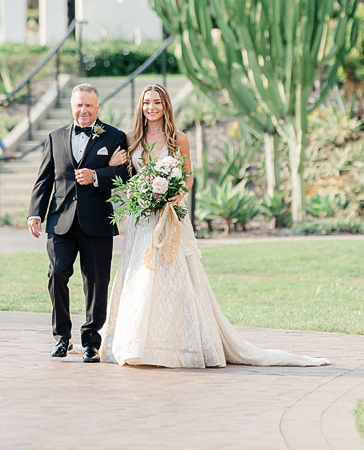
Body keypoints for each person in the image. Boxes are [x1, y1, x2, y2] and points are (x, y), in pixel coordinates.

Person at [101, 84, 329, 368]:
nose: (151, 107)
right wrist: (116, 167)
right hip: (142, 219)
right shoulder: (130, 138)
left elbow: (188, 177)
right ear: (140, 106)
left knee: (173, 274)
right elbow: (124, 174)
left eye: (157, 102)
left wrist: (177, 193)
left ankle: (178, 345)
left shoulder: (178, 139)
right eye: (147, 102)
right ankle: (136, 344)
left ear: (165, 106)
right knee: (141, 275)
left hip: (171, 216)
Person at [28, 83, 129, 363]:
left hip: (97, 222)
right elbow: (44, 178)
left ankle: (91, 341)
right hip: (60, 220)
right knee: (57, 274)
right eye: (79, 105)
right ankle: (62, 337)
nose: (83, 110)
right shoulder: (55, 137)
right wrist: (35, 212)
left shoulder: (114, 136)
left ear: (98, 107)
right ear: (72, 106)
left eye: (89, 105)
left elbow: (125, 172)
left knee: (96, 282)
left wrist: (97, 175)